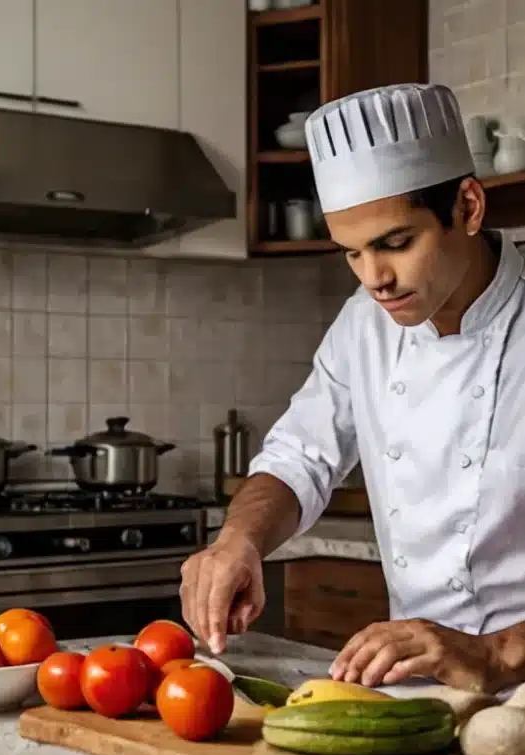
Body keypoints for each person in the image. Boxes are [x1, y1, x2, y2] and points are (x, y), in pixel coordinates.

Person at [180, 83, 525, 695]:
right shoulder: (364, 324)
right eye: (352, 254)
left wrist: (496, 654)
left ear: (469, 207)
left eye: (396, 244)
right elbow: (298, 457)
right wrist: (239, 540)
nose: (376, 280)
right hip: (419, 694)